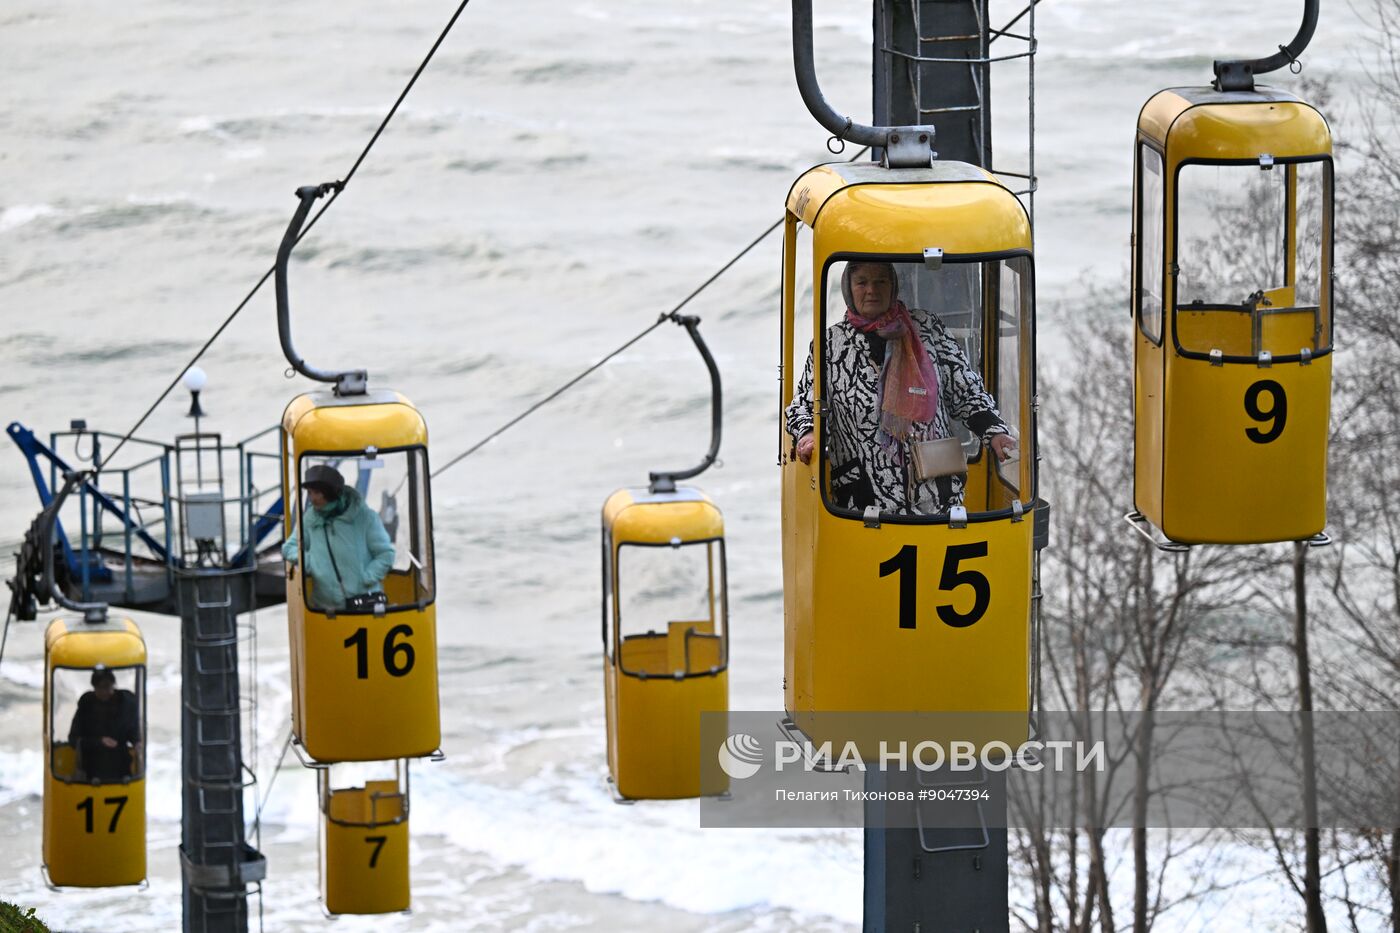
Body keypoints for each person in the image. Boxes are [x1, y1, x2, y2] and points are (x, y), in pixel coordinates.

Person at [785, 260, 1017, 515]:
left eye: (880, 282)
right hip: (865, 506)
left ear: (893, 286)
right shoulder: (830, 345)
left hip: (936, 500)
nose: (871, 290)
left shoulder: (927, 328)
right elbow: (804, 406)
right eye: (862, 282)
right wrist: (808, 434)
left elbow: (965, 388)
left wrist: (994, 431)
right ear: (848, 289)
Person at [282, 464, 395, 611]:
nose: (312, 498)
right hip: (324, 611)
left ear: (330, 492)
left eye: (317, 492)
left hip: (363, 606)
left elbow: (386, 554)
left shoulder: (365, 517)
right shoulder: (310, 519)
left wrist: (366, 577)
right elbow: (288, 548)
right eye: (309, 492)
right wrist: (309, 562)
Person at [68, 668, 141, 783]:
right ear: (94, 687)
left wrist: (137, 742)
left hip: (121, 770)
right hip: (92, 771)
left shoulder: (126, 704)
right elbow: (73, 739)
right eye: (100, 688)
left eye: (107, 687)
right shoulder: (86, 706)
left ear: (113, 685)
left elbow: (132, 730)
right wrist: (99, 742)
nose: (104, 692)